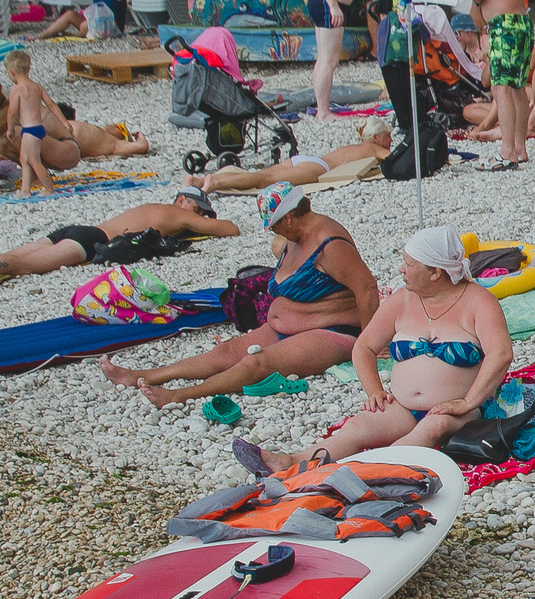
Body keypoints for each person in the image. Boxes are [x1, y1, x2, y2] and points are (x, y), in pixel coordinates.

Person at [239, 227, 513, 473]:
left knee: (433, 428)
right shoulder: (401, 301)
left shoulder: (479, 302)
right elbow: (365, 346)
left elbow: (500, 354)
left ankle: (358, 474)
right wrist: (374, 391)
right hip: (404, 407)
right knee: (358, 427)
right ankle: (290, 462)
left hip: (458, 410)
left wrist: (468, 402)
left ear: (435, 273)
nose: (401, 270)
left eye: (408, 264)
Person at [100, 184, 380, 406]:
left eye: (274, 224)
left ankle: (181, 395)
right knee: (227, 351)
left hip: (335, 331)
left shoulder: (329, 244)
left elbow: (366, 288)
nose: (272, 229)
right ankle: (145, 375)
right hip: (295, 324)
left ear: (291, 217)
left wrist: (369, 346)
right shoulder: (294, 238)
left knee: (258, 363)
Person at [0, 188, 233, 293]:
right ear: (191, 204)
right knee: (22, 265)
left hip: (77, 228)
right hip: (91, 240)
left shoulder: (154, 206)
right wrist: (201, 221)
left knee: (6, 254)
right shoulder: (182, 215)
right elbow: (230, 230)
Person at [471, 0, 533, 165]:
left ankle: (507, 150)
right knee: (517, 88)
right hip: (521, 23)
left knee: (501, 88)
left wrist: (480, 26)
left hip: (504, 27)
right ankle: (520, 147)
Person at [186, 125, 391, 192]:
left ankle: (196, 181)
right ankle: (215, 181)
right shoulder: (374, 148)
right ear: (375, 137)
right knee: (263, 182)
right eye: (387, 135)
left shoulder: (355, 145)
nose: (391, 139)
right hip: (318, 167)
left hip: (304, 159)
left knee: (260, 175)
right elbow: (395, 160)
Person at [2, 49, 81, 194]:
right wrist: (64, 122)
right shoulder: (37, 87)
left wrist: (10, 129)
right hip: (38, 128)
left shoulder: (16, 89)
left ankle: (49, 188)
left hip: (29, 130)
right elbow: (51, 105)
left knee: (33, 160)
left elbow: (12, 112)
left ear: (12, 72)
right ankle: (25, 189)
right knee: (24, 159)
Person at [55, 103, 152, 160]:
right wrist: (140, 136)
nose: (114, 125)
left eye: (120, 129)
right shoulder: (109, 142)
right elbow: (142, 146)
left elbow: (141, 147)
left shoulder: (108, 140)